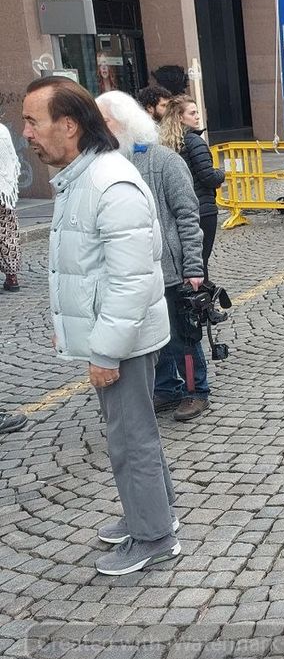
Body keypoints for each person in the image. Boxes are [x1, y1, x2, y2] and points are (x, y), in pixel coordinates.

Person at [23, 76, 179, 575]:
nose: (25, 132)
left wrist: (106, 350)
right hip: (116, 333)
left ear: (69, 125)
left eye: (33, 121)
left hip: (124, 339)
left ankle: (154, 535)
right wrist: (73, 328)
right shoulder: (85, 176)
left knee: (130, 439)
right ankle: (153, 513)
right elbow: (86, 268)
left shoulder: (108, 182)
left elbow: (131, 281)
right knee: (134, 432)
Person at [97, 91, 210, 423]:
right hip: (133, 271)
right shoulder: (107, 164)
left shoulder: (165, 161)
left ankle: (195, 390)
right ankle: (167, 387)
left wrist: (193, 268)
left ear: (124, 123)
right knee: (151, 336)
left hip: (170, 270)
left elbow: (188, 216)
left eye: (104, 121)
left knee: (182, 336)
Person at [159, 96, 224, 280]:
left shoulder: (167, 144)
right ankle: (201, 296)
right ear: (180, 117)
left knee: (187, 260)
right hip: (202, 208)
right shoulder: (194, 141)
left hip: (179, 209)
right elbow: (208, 176)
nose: (197, 117)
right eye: (192, 113)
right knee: (200, 262)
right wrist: (221, 174)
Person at [0, 123, 22, 292]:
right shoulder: (3, 130)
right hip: (3, 192)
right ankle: (12, 277)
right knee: (7, 233)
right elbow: (12, 160)